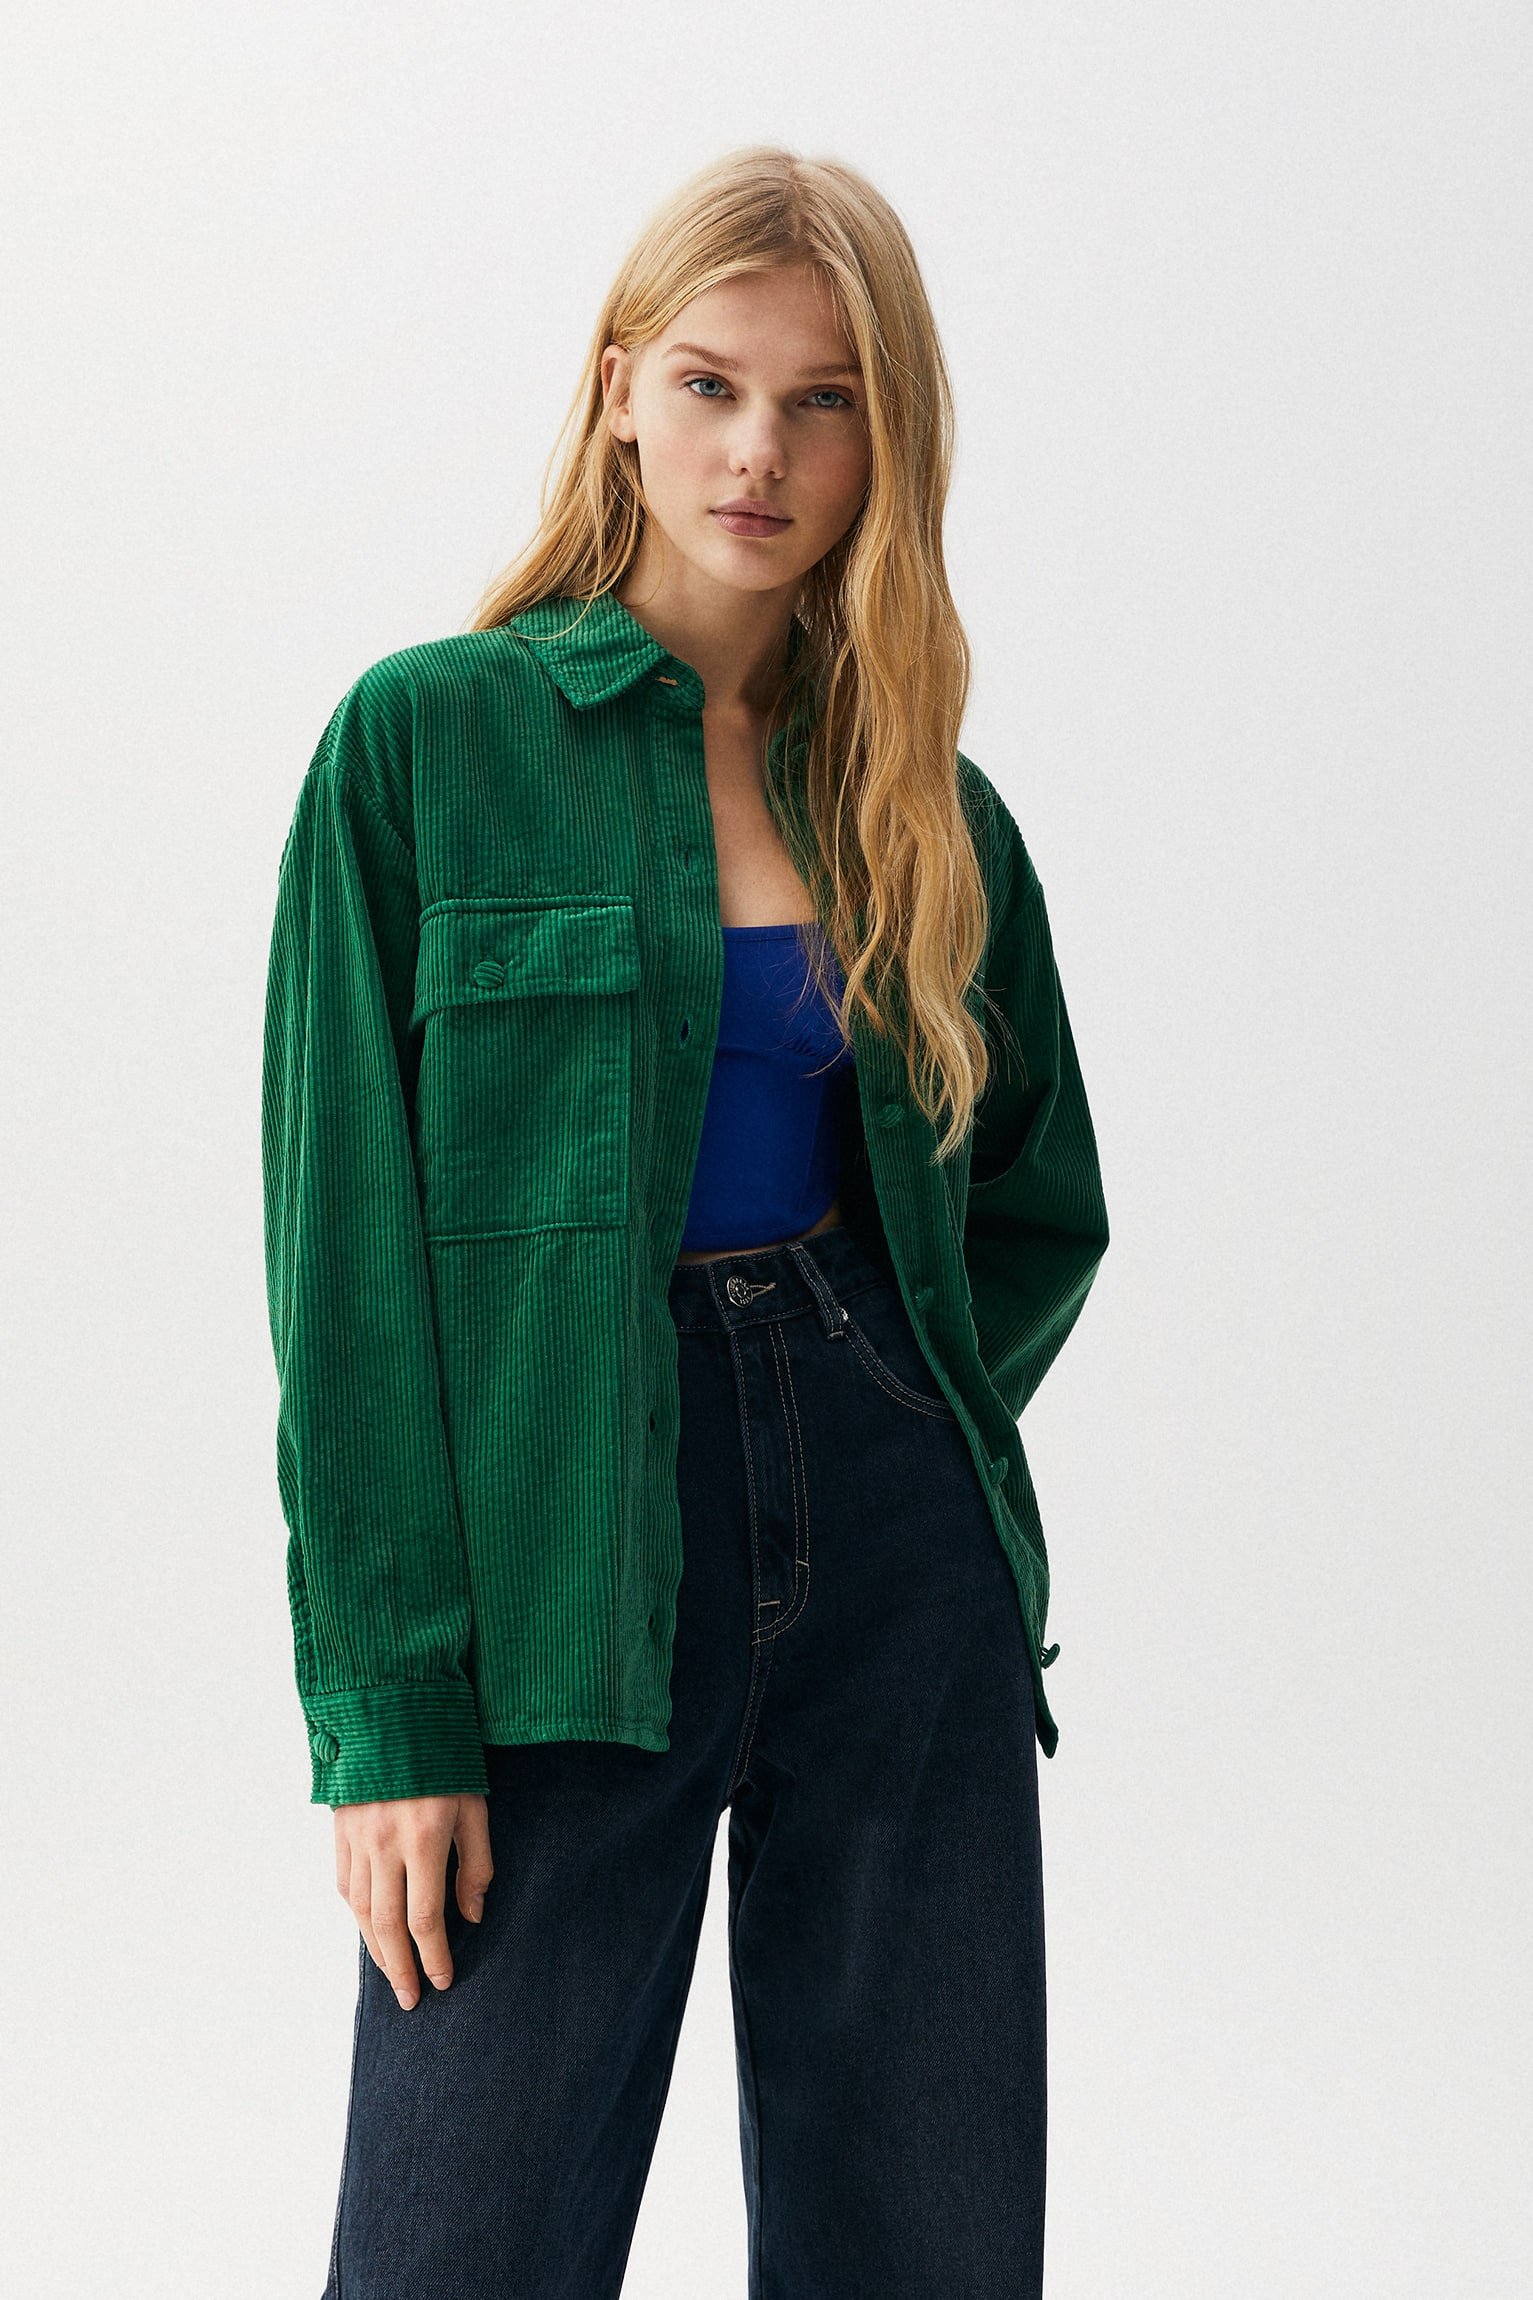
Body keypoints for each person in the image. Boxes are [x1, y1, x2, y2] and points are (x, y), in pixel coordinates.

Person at [262, 143, 1110, 2300]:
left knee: (919, 2246)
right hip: (558, 1557)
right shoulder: (423, 748)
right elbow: (345, 1279)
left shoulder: (927, 805)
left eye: (826, 401)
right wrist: (389, 1722)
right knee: (458, 2242)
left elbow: (1034, 1202)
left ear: (885, 442)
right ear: (617, 389)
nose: (760, 453)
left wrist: (901, 1401)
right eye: (714, 384)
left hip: (895, 1568)